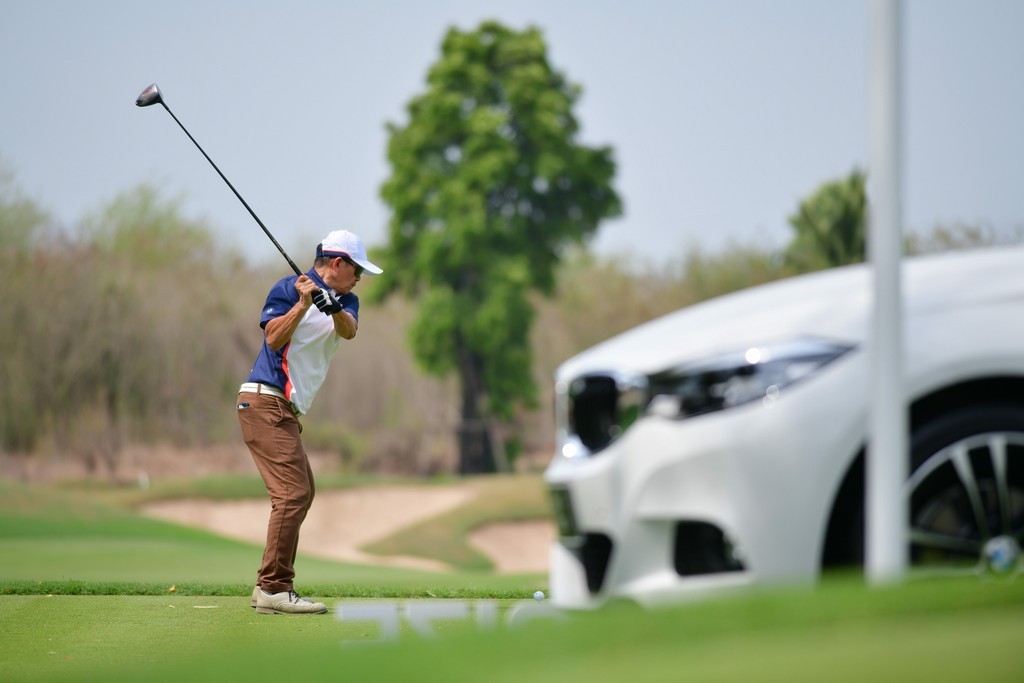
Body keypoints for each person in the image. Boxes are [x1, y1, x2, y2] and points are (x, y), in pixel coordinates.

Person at [237, 229, 382, 615]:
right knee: (292, 494)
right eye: (357, 270)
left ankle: (267, 586)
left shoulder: (347, 300)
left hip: (284, 410)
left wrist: (330, 306)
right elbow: (273, 339)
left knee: (302, 492)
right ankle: (275, 588)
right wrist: (303, 304)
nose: (359, 278)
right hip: (264, 400)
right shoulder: (288, 289)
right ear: (338, 263)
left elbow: (349, 331)